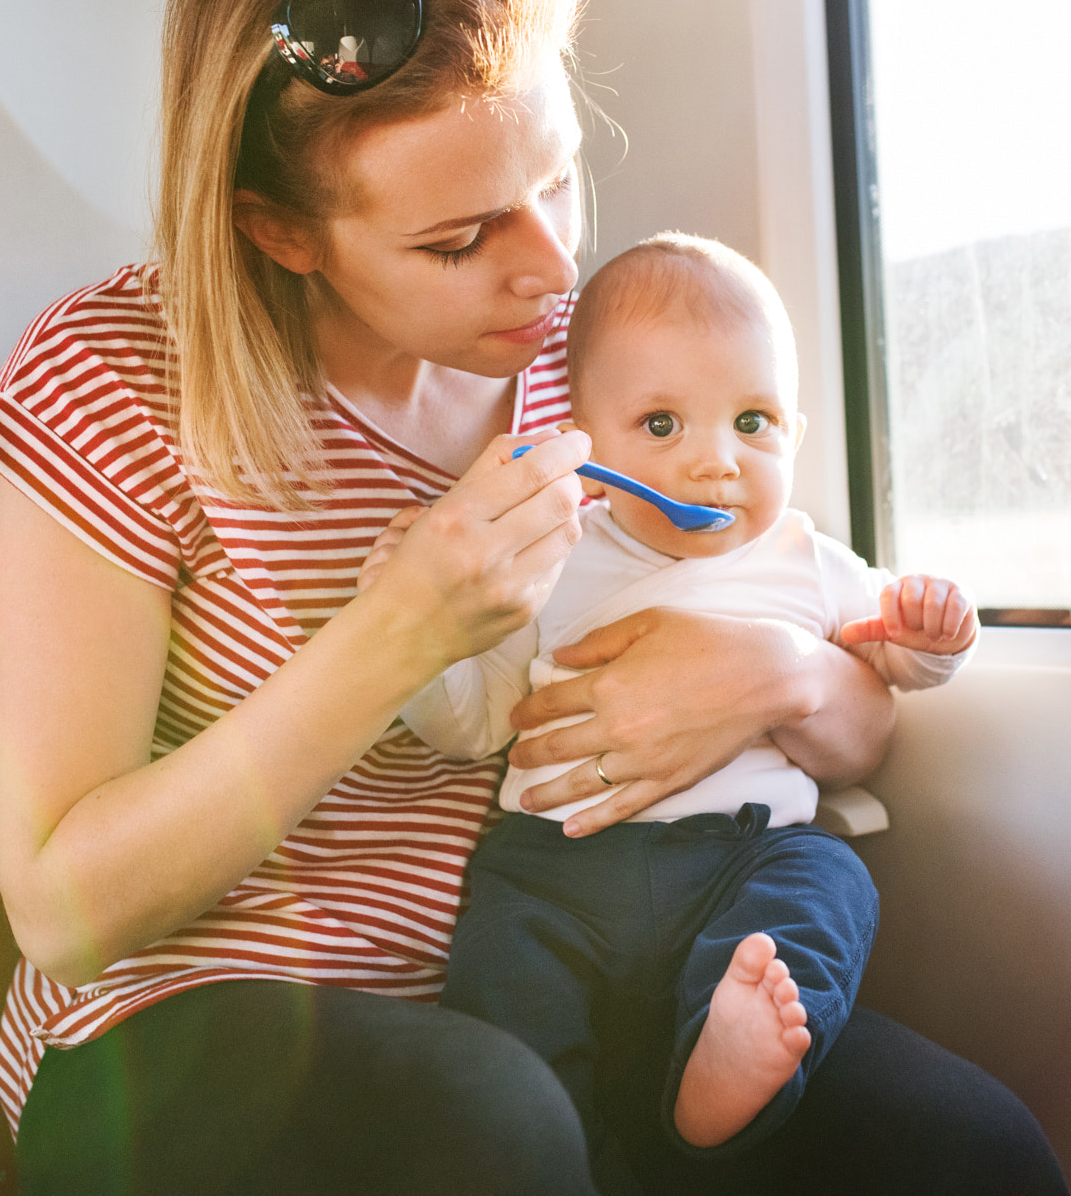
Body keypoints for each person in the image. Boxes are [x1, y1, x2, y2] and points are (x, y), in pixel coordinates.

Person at [0, 0, 1065, 1196]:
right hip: (183, 1027)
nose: (551, 270)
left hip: (544, 968)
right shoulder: (111, 382)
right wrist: (395, 637)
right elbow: (63, 908)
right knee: (498, 1126)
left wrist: (780, 671)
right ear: (282, 231)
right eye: (460, 240)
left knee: (966, 1152)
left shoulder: (575, 365)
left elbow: (835, 688)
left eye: (561, 181)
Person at [387, 232, 978, 1176]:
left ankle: (729, 1059)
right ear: (587, 436)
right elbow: (473, 722)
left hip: (743, 857)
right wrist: (412, 642)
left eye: (753, 422)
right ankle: (554, 1134)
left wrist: (932, 635)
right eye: (662, 425)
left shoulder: (808, 561)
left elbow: (894, 663)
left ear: (795, 430)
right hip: (558, 866)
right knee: (504, 961)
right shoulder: (553, 559)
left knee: (831, 881)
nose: (715, 463)